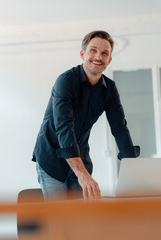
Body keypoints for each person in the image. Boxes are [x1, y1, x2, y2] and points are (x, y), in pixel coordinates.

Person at [32, 30, 140, 201]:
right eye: (93, 50)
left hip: (80, 156)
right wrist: (82, 175)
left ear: (109, 60)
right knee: (59, 220)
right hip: (51, 158)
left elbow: (120, 129)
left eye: (104, 53)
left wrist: (134, 172)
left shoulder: (109, 89)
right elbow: (64, 127)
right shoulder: (65, 81)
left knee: (81, 220)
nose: (98, 56)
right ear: (83, 54)